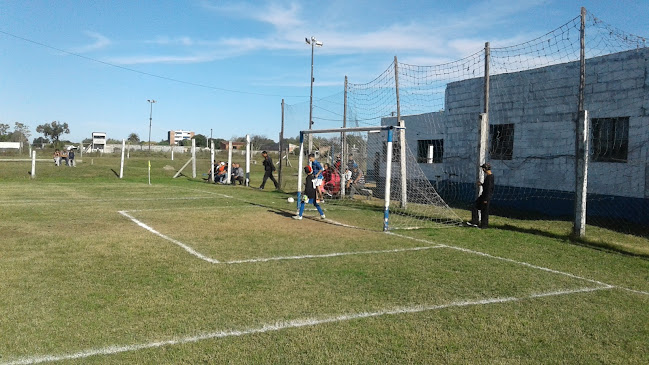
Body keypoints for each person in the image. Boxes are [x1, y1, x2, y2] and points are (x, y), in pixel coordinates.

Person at [470, 163, 495, 229]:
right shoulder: (489, 177)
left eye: (483, 169)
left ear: (485, 169)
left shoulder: (490, 177)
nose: (483, 170)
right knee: (475, 206)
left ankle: (484, 225)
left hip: (486, 197)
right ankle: (475, 222)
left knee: (484, 211)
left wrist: (486, 199)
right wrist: (481, 184)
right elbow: (487, 186)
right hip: (483, 195)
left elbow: (489, 189)